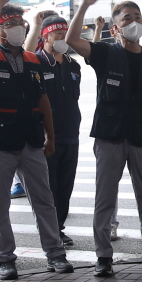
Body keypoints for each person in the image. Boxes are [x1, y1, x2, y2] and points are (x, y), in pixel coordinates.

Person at [67, 0, 142, 276]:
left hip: (141, 136)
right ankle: (103, 256)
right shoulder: (105, 53)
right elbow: (72, 40)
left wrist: (138, 113)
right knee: (105, 197)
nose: (134, 22)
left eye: (138, 17)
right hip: (109, 136)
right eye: (127, 18)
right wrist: (85, 6)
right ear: (115, 27)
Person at [0, 0, 69, 279]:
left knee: (44, 199)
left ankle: (55, 253)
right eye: (9, 24)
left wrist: (50, 135)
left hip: (30, 139)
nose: (17, 29)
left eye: (20, 24)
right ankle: (4, 258)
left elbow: (42, 99)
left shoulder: (32, 59)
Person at [37, 13, 85, 246]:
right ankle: (50, 231)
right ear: (45, 36)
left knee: (66, 185)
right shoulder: (36, 62)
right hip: (47, 136)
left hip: (70, 133)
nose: (63, 38)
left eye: (65, 33)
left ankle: (59, 227)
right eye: (58, 34)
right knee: (49, 187)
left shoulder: (73, 65)